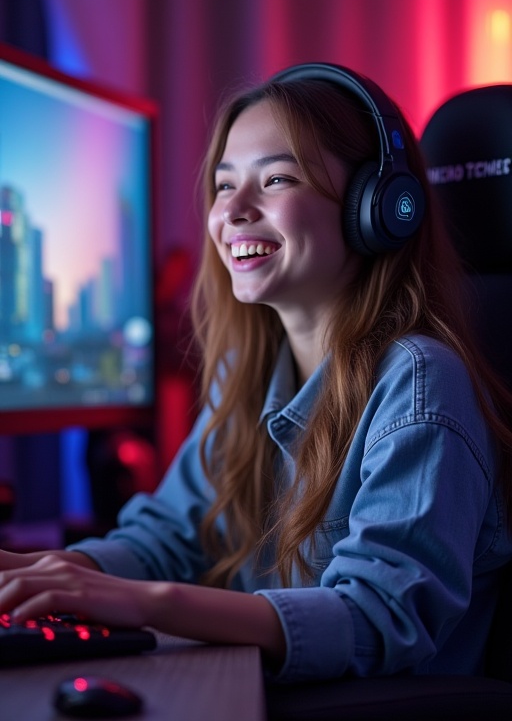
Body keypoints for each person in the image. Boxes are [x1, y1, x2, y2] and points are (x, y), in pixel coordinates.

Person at [1, 62, 512, 683]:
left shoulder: (420, 385)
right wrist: (47, 577)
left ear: (376, 208)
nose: (234, 211)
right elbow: (170, 538)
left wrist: (152, 602)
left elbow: (380, 620)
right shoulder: (250, 371)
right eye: (223, 186)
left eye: (276, 179)